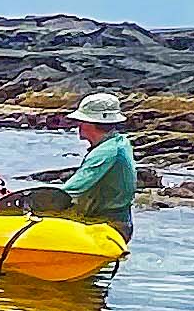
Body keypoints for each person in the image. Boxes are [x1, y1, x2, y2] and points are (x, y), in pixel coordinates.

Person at [43, 91, 140, 233]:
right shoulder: (119, 142)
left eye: (81, 121)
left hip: (106, 226)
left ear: (92, 123)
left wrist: (35, 204)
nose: (78, 125)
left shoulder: (106, 152)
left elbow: (71, 190)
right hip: (119, 222)